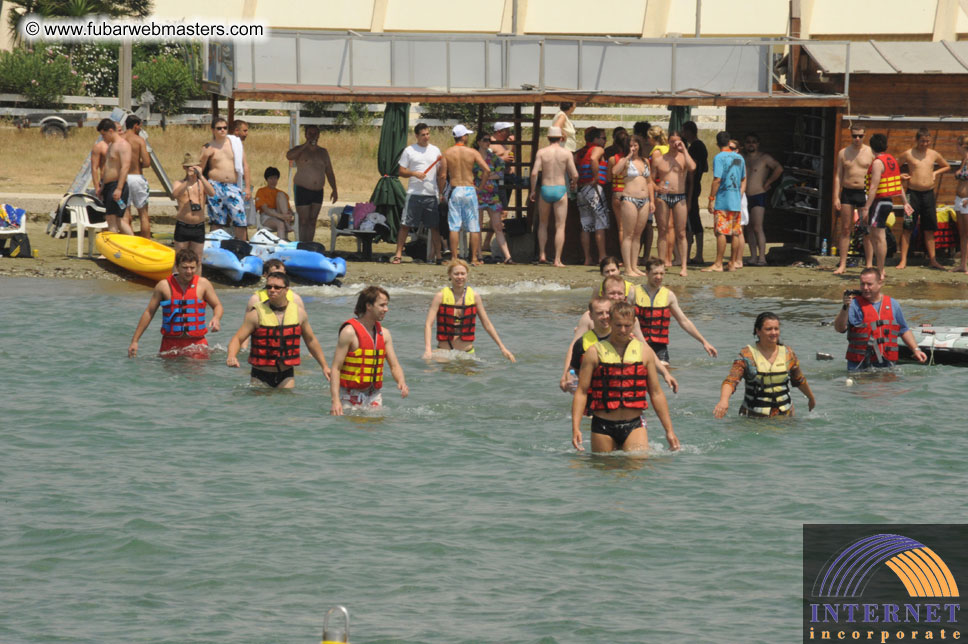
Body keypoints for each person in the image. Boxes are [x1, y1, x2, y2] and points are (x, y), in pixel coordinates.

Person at [571, 301, 680, 454]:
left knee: (637, 467)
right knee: (604, 469)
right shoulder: (594, 352)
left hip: (634, 424)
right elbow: (581, 392)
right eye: (618, 325)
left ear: (634, 323)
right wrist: (575, 428)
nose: (623, 330)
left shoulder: (645, 352)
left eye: (627, 326)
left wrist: (669, 430)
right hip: (602, 425)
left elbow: (656, 393)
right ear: (610, 322)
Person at [571, 274, 678, 393]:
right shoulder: (590, 316)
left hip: (618, 375)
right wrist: (567, 375)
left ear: (625, 296)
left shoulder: (629, 319)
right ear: (603, 294)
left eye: (620, 293)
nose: (616, 297)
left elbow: (645, 347)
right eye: (612, 293)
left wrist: (664, 373)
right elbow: (574, 347)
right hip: (593, 372)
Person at [226, 271, 330, 388]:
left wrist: (324, 366)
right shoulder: (255, 314)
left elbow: (311, 340)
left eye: (277, 287)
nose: (272, 290)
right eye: (269, 287)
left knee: (285, 403)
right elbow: (237, 339)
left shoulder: (299, 313)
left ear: (286, 290)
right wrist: (231, 355)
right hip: (260, 375)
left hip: (286, 374)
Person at [713, 312, 816, 418]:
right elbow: (731, 381)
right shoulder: (747, 355)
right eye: (768, 329)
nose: (774, 332)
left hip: (785, 417)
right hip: (754, 418)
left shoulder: (788, 353)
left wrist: (811, 398)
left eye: (776, 329)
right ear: (758, 331)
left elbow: (799, 380)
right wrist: (723, 401)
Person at [128, 249, 223, 359]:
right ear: (177, 267)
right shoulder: (163, 286)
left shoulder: (204, 284)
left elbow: (217, 306)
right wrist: (135, 341)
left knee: (197, 375)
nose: (189, 271)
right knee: (170, 375)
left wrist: (216, 318)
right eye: (185, 267)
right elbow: (149, 312)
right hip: (170, 344)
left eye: (192, 268)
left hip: (197, 344)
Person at [330, 286, 408, 414]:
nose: (386, 309)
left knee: (377, 429)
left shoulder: (385, 334)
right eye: (382, 305)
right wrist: (335, 401)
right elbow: (336, 368)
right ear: (369, 306)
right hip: (350, 395)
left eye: (387, 305)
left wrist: (401, 382)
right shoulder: (349, 332)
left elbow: (394, 365)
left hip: (374, 395)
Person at [834, 267, 927, 371]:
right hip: (859, 366)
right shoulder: (854, 305)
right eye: (862, 284)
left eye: (869, 284)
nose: (865, 288)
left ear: (880, 283)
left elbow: (904, 330)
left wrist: (916, 349)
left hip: (887, 364)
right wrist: (845, 307)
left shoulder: (893, 304)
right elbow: (839, 328)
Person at [422, 259, 516, 361]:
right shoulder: (440, 297)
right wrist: (428, 350)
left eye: (463, 274)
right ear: (450, 275)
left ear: (467, 275)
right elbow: (428, 324)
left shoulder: (475, 297)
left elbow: (487, 324)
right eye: (456, 274)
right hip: (444, 352)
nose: (460, 277)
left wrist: (502, 348)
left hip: (467, 353)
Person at [633, 258, 717, 365]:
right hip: (638, 344)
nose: (659, 277)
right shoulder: (634, 292)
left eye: (661, 274)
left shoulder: (669, 295)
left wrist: (704, 342)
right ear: (647, 273)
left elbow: (684, 321)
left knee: (665, 370)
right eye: (655, 273)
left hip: (659, 346)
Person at [860, 134, 913, 280]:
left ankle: (881, 270)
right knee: (876, 235)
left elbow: (874, 187)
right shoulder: (892, 160)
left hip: (879, 201)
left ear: (871, 147)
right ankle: (880, 269)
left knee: (879, 236)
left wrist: (866, 208)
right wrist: (905, 202)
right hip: (888, 201)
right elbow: (897, 184)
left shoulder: (878, 163)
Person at [896, 128, 950, 270]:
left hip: (928, 194)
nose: (925, 144)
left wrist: (935, 173)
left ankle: (933, 260)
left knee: (929, 228)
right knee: (908, 227)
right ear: (916, 140)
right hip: (912, 193)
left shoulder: (933, 154)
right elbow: (894, 167)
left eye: (927, 141)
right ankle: (903, 260)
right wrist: (900, 176)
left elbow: (947, 166)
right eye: (922, 141)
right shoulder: (908, 154)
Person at [392, 122, 444, 264]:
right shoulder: (409, 150)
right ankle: (398, 254)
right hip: (414, 193)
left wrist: (441, 191)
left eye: (428, 134)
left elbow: (441, 172)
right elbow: (401, 171)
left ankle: (439, 256)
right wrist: (414, 173)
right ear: (416, 136)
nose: (426, 137)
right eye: (423, 135)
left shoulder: (435, 151)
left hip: (431, 194)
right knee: (405, 225)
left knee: (434, 227)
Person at [530, 126, 578, 267]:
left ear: (548, 137)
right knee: (560, 226)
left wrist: (533, 190)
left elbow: (534, 173)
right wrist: (573, 184)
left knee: (543, 224)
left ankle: (542, 254)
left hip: (545, 188)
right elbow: (574, 174)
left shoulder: (542, 152)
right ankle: (557, 259)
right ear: (561, 138)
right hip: (560, 188)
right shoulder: (566, 153)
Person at [443, 124, 490, 266]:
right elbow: (487, 170)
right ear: (463, 136)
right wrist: (480, 187)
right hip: (469, 189)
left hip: (456, 188)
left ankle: (454, 258)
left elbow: (443, 175)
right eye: (467, 135)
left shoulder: (447, 152)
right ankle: (474, 258)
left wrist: (441, 192)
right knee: (474, 226)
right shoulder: (472, 152)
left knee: (454, 225)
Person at [652, 131, 697, 276]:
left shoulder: (684, 158)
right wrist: (657, 188)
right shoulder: (659, 159)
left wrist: (684, 149)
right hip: (663, 197)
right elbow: (650, 179)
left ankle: (684, 265)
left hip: (679, 196)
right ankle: (661, 264)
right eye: (672, 141)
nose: (674, 144)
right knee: (662, 231)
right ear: (668, 142)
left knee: (681, 232)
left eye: (678, 141)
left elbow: (693, 167)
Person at [832, 124, 875, 275]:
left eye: (860, 136)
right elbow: (838, 176)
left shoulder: (870, 152)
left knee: (866, 229)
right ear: (850, 136)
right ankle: (842, 264)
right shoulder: (843, 153)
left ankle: (869, 264)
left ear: (865, 135)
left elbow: (878, 173)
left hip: (864, 192)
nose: (857, 139)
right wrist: (836, 196)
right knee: (845, 229)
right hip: (848, 192)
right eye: (854, 136)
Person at [611, 135, 655, 277]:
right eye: (631, 145)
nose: (633, 147)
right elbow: (614, 171)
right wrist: (628, 156)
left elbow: (649, 182)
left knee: (637, 234)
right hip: (629, 198)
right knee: (628, 234)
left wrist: (652, 201)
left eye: (636, 145)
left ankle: (634, 266)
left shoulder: (645, 161)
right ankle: (628, 268)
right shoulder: (625, 161)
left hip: (645, 200)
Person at [286, 124, 338, 242]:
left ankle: (309, 244)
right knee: (303, 220)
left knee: (312, 220)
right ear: (306, 134)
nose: (313, 136)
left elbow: (329, 171)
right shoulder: (300, 150)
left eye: (315, 133)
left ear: (319, 135)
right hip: (302, 189)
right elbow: (289, 156)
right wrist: (306, 144)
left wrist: (334, 189)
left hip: (318, 191)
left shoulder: (323, 152)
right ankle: (302, 244)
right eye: (310, 133)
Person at [200, 117, 249, 240]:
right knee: (217, 221)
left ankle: (242, 249)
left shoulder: (236, 144)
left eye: (225, 128)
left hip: (233, 185)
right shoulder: (208, 147)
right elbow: (199, 169)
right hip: (215, 186)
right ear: (213, 130)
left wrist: (247, 187)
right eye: (219, 128)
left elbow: (245, 166)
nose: (222, 130)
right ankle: (215, 247)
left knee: (240, 219)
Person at [703, 131, 746, 272]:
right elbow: (743, 178)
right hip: (735, 200)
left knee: (721, 231)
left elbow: (717, 179)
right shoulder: (740, 158)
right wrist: (739, 193)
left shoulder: (719, 157)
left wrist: (711, 198)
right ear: (729, 143)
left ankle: (718, 263)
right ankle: (732, 263)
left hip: (723, 199)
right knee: (734, 232)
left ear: (717, 144)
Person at [740, 133, 783, 266]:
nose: (751, 144)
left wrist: (768, 182)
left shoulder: (764, 158)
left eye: (753, 142)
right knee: (748, 228)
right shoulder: (742, 158)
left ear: (758, 144)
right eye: (748, 142)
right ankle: (753, 256)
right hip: (745, 196)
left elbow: (779, 168)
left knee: (758, 227)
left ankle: (762, 257)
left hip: (759, 195)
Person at [560, 296, 612, 393]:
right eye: (600, 313)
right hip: (592, 398)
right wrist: (570, 381)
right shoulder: (581, 343)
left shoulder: (621, 338)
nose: (605, 316)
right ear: (591, 316)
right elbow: (573, 370)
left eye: (608, 312)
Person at [473, 133, 511, 263]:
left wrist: (484, 176)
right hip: (478, 194)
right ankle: (478, 255)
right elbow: (474, 173)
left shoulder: (493, 158)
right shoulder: (474, 157)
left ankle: (507, 256)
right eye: (485, 140)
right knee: (477, 226)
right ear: (478, 142)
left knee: (498, 226)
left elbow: (500, 173)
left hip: (492, 194)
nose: (487, 142)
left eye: (489, 140)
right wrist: (490, 174)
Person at [171, 152, 215, 265]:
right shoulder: (179, 183)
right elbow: (175, 194)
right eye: (190, 166)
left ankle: (196, 282)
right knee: (179, 259)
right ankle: (176, 281)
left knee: (198, 259)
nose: (193, 169)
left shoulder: (202, 183)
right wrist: (188, 181)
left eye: (196, 166)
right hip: (183, 225)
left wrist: (201, 176)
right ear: (184, 168)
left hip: (198, 226)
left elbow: (212, 193)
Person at [575, 127, 609, 266]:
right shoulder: (598, 149)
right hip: (593, 189)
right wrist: (596, 178)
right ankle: (602, 257)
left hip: (582, 190)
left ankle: (587, 258)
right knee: (600, 223)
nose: (605, 141)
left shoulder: (581, 152)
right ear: (596, 139)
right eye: (603, 138)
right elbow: (594, 159)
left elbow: (573, 161)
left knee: (586, 225)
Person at [96, 118, 132, 235]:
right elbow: (107, 167)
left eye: (104, 134)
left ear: (111, 131)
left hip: (116, 185)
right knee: (115, 220)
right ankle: (127, 245)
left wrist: (119, 188)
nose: (103, 137)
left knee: (113, 220)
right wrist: (102, 187)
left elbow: (125, 167)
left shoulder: (123, 145)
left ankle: (115, 250)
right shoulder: (111, 145)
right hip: (108, 186)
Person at [682, 121, 708, 265]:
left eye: (684, 131)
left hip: (692, 186)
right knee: (694, 218)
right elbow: (705, 168)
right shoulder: (699, 146)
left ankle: (696, 254)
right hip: (696, 185)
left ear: (689, 132)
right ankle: (697, 254)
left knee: (692, 220)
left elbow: (695, 168)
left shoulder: (695, 147)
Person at [122, 115, 152, 238]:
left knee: (125, 213)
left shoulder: (120, 138)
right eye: (140, 126)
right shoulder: (139, 140)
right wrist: (136, 163)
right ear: (135, 125)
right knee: (143, 214)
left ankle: (128, 243)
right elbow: (147, 163)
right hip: (136, 177)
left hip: (123, 178)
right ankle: (146, 245)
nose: (140, 128)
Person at [604, 127, 631, 242]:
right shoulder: (633, 159)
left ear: (615, 142)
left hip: (617, 192)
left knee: (621, 228)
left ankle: (623, 256)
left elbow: (609, 178)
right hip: (631, 193)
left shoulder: (612, 159)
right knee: (631, 229)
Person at [254, 167, 295, 238]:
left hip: (281, 215)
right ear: (267, 179)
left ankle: (285, 223)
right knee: (280, 224)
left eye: (275, 178)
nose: (273, 181)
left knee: (281, 194)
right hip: (267, 216)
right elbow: (266, 210)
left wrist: (289, 214)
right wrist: (282, 216)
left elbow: (288, 209)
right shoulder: (261, 191)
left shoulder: (282, 193)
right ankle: (281, 246)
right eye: (271, 178)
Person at [955, 135, 968, 274]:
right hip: (959, 199)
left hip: (966, 200)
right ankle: (963, 264)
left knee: (967, 234)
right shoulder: (963, 160)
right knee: (963, 234)